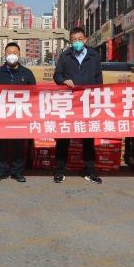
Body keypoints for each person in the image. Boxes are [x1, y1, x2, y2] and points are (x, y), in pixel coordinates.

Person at [52, 27, 103, 184]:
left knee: (88, 139)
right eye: (74, 40)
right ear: (70, 41)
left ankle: (90, 172)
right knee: (63, 138)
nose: (77, 42)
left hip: (87, 102)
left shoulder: (94, 55)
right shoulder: (65, 56)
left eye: (80, 39)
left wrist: (97, 97)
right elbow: (57, 75)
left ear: (85, 39)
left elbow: (98, 78)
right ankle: (59, 171)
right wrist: (63, 80)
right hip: (69, 102)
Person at [0, 42, 35, 182]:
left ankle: (17, 171)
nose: (12, 55)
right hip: (2, 114)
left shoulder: (27, 73)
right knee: (1, 144)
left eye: (15, 52)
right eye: (9, 52)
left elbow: (34, 94)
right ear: (5, 54)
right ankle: (0, 171)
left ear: (19, 54)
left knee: (19, 145)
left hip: (20, 115)